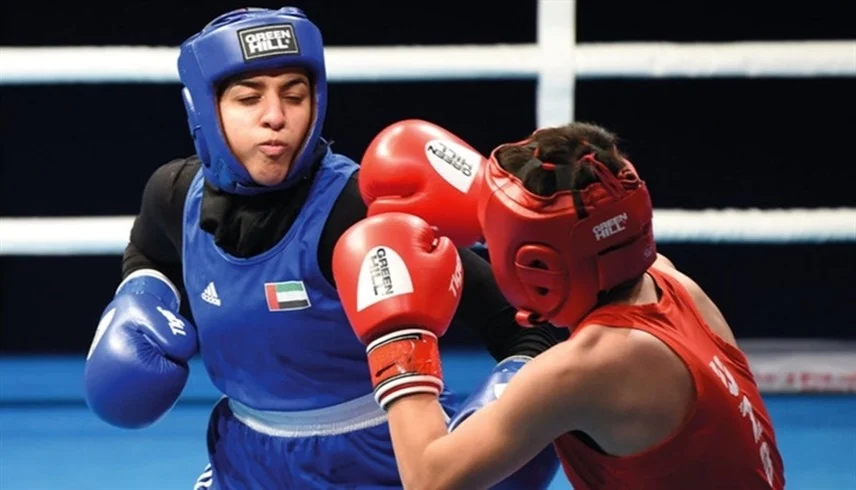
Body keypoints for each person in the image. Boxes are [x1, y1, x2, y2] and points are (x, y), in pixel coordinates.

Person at [81, 7, 560, 490]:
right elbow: (151, 253)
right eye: (249, 98)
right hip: (243, 459)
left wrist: (506, 405)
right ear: (205, 109)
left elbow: (524, 322)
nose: (275, 117)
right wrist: (142, 295)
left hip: (381, 460)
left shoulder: (358, 212)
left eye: (294, 95)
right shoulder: (174, 194)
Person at [332, 121, 787, 489]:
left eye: (496, 241)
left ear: (537, 265)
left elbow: (430, 479)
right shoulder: (672, 283)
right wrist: (498, 209)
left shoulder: (590, 366)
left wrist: (398, 336)